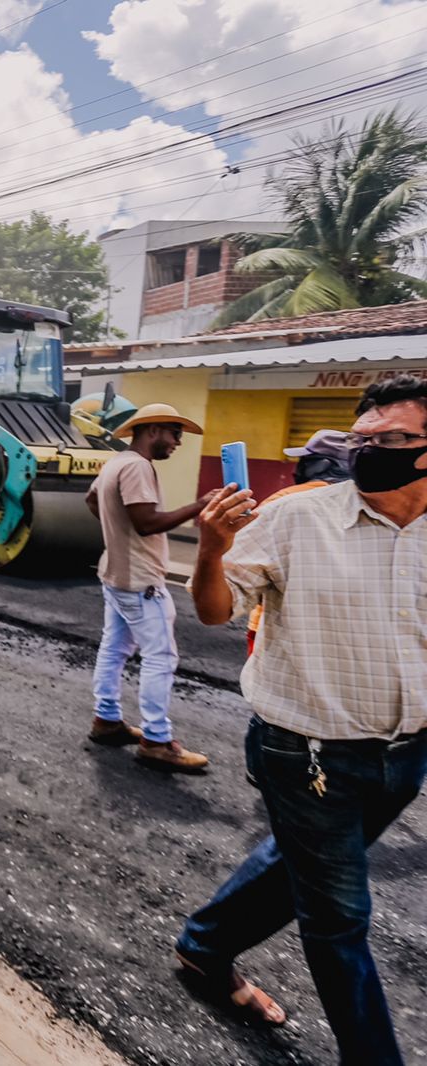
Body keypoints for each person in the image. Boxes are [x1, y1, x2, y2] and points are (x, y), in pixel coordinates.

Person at [174, 374, 427, 1065]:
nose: (371, 451)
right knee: (340, 915)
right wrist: (211, 546)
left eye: (394, 440)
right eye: (363, 440)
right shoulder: (297, 518)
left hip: (406, 755)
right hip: (305, 753)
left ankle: (204, 945)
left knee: (302, 863)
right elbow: (215, 611)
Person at [84, 402, 214, 771]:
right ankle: (158, 740)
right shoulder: (139, 466)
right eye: (175, 434)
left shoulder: (116, 463)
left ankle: (106, 720)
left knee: (114, 648)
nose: (177, 443)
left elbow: (92, 499)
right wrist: (200, 505)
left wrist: (116, 530)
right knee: (161, 657)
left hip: (116, 574)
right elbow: (146, 522)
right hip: (141, 580)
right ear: (153, 430)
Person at [245, 429, 352, 654]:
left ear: (321, 465)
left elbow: (243, 561)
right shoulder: (368, 505)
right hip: (340, 632)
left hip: (277, 626)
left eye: (305, 460)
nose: (298, 467)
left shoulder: (286, 501)